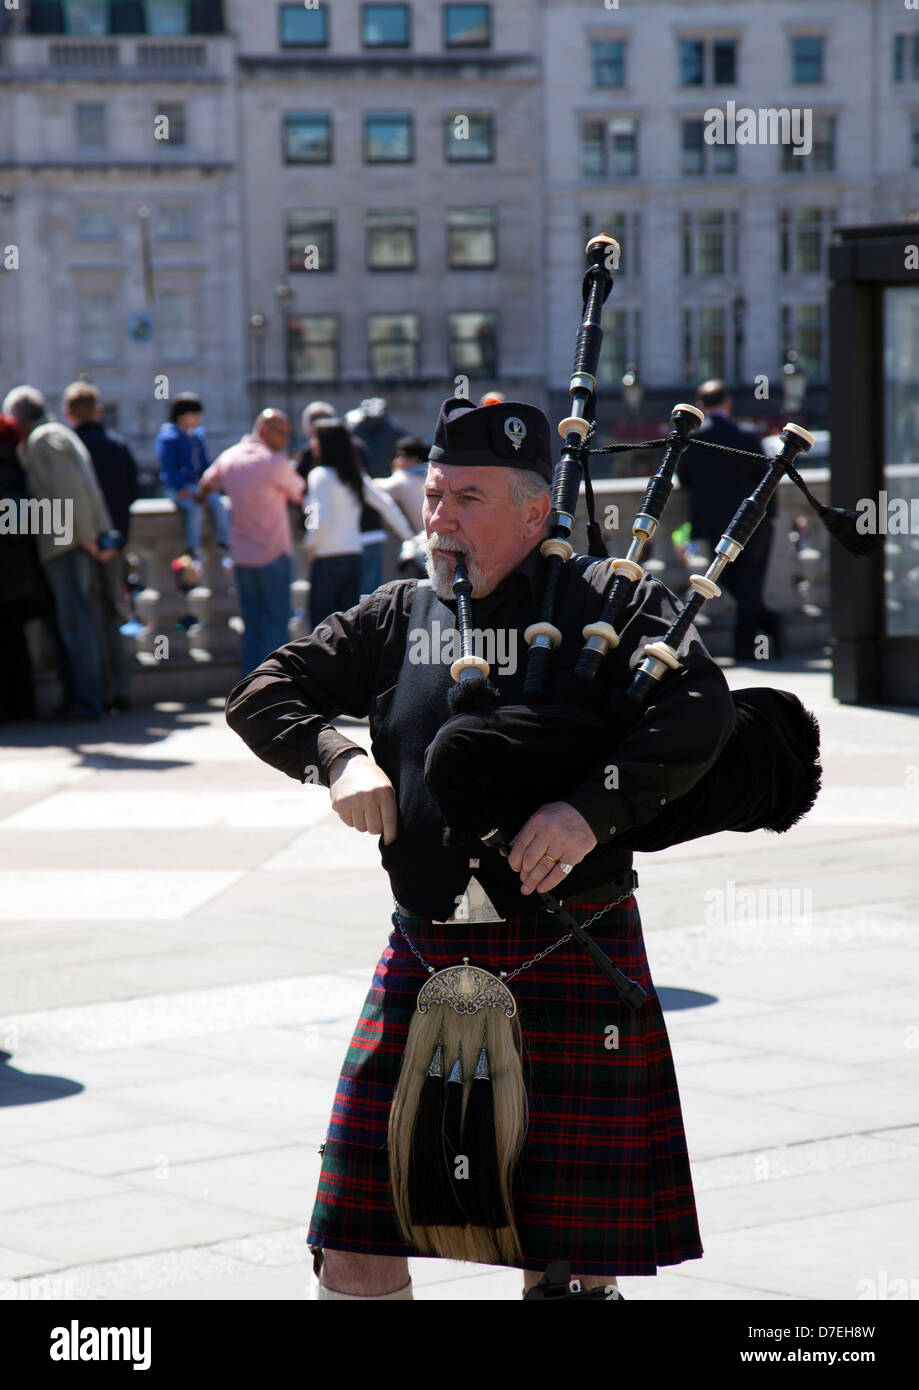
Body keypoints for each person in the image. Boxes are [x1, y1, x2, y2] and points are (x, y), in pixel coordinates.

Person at [225, 395, 736, 1300]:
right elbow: (265, 689)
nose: (438, 518)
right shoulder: (395, 614)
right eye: (431, 495)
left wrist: (587, 811)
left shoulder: (606, 605)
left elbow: (699, 710)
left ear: (535, 511)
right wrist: (335, 756)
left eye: (466, 498)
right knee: (354, 1237)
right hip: (426, 953)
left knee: (567, 1257)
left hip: (570, 945)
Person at [2, 385, 114, 720]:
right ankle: (84, 698)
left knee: (76, 626)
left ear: (18, 419)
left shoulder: (43, 440)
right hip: (73, 542)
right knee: (79, 623)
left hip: (66, 546)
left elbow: (69, 494)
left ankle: (88, 702)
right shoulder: (57, 434)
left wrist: (86, 538)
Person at [675, 379, 781, 661]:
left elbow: (684, 479)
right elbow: (768, 479)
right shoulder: (745, 435)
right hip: (752, 521)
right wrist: (773, 516)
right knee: (750, 582)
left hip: (715, 524)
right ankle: (754, 638)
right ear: (728, 403)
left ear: (700, 406)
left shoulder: (693, 440)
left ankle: (759, 632)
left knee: (726, 578)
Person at [195, 409, 306, 675]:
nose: (286, 438)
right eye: (282, 432)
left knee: (251, 624)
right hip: (274, 554)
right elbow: (299, 492)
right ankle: (272, 684)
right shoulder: (274, 461)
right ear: (265, 431)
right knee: (276, 624)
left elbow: (204, 486)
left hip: (242, 556)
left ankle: (250, 685)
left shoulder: (230, 456)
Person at [63, 381, 140, 712]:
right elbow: (131, 492)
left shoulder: (70, 448)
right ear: (98, 410)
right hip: (113, 543)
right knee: (113, 616)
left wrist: (90, 541)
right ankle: (120, 690)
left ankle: (96, 694)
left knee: (86, 618)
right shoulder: (118, 446)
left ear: (68, 414)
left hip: (81, 544)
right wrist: (116, 540)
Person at [304, 418, 412, 626]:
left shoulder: (319, 475)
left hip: (327, 557)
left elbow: (318, 517)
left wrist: (311, 544)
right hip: (353, 555)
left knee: (320, 626)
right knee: (347, 625)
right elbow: (385, 504)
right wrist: (408, 535)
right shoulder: (354, 476)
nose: (312, 444)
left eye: (315, 439)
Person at [0, 413, 52, 723]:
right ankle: (25, 707)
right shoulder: (21, 465)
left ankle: (7, 710)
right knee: (17, 641)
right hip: (21, 570)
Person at [155, 392, 231, 560]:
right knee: (194, 508)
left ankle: (224, 542)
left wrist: (208, 485)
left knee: (219, 504)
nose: (198, 419)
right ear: (182, 416)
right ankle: (193, 547)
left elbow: (205, 464)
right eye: (194, 415)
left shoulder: (196, 437)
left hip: (197, 485)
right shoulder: (169, 437)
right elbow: (168, 467)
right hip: (180, 487)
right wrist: (181, 487)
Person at [372, 435, 429, 532]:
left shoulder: (403, 478)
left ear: (413, 459)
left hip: (422, 538)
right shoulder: (432, 476)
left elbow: (372, 488)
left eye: (399, 456)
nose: (395, 461)